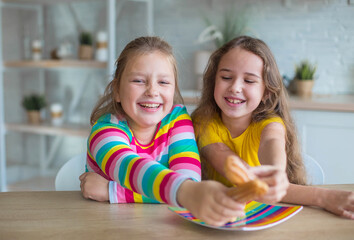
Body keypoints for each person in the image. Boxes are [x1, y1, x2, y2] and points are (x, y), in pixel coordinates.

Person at [79, 36, 260, 226]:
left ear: (173, 90)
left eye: (163, 83)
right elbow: (131, 168)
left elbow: (189, 180)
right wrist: (186, 193)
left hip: (162, 227)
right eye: (139, 80)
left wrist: (112, 192)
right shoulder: (104, 131)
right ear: (116, 89)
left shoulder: (177, 119)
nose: (152, 91)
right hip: (106, 226)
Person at [191, 35, 354, 219]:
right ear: (214, 81)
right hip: (214, 218)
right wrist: (323, 197)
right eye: (226, 77)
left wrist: (276, 172)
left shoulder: (271, 125)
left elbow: (272, 142)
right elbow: (222, 156)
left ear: (266, 92)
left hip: (258, 217)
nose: (235, 87)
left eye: (249, 81)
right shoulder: (203, 122)